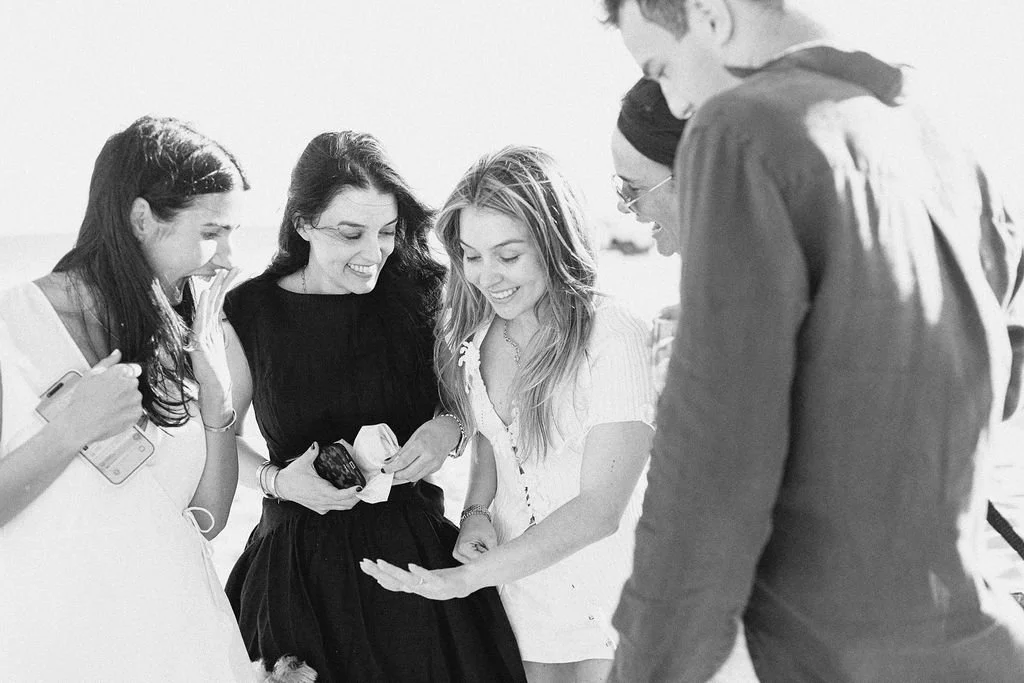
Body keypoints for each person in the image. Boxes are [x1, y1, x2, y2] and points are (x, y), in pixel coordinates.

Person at [602, 1, 1024, 681]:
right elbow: (991, 389)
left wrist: (646, 666)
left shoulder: (738, 130)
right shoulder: (946, 137)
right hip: (976, 641)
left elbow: (712, 469)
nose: (676, 104)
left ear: (710, 15)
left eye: (663, 69)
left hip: (840, 656)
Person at [222, 131, 526, 683]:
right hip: (294, 577)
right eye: (350, 233)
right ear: (303, 223)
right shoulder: (250, 310)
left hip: (412, 570)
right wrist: (278, 481)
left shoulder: (428, 293)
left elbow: (473, 407)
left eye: (386, 232)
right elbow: (219, 439)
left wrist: (446, 430)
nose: (373, 253)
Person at [361, 145, 655, 683]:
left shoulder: (613, 334)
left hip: (615, 597)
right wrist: (475, 513)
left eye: (508, 255)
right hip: (522, 598)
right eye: (471, 256)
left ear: (552, 242)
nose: (487, 276)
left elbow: (600, 510)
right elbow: (492, 445)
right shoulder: (475, 340)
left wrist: (460, 581)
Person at [0, 115, 254, 681]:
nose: (229, 257)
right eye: (212, 231)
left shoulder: (188, 337)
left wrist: (217, 405)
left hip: (185, 647)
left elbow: (206, 522)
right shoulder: (11, 326)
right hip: (56, 652)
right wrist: (69, 432)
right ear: (142, 219)